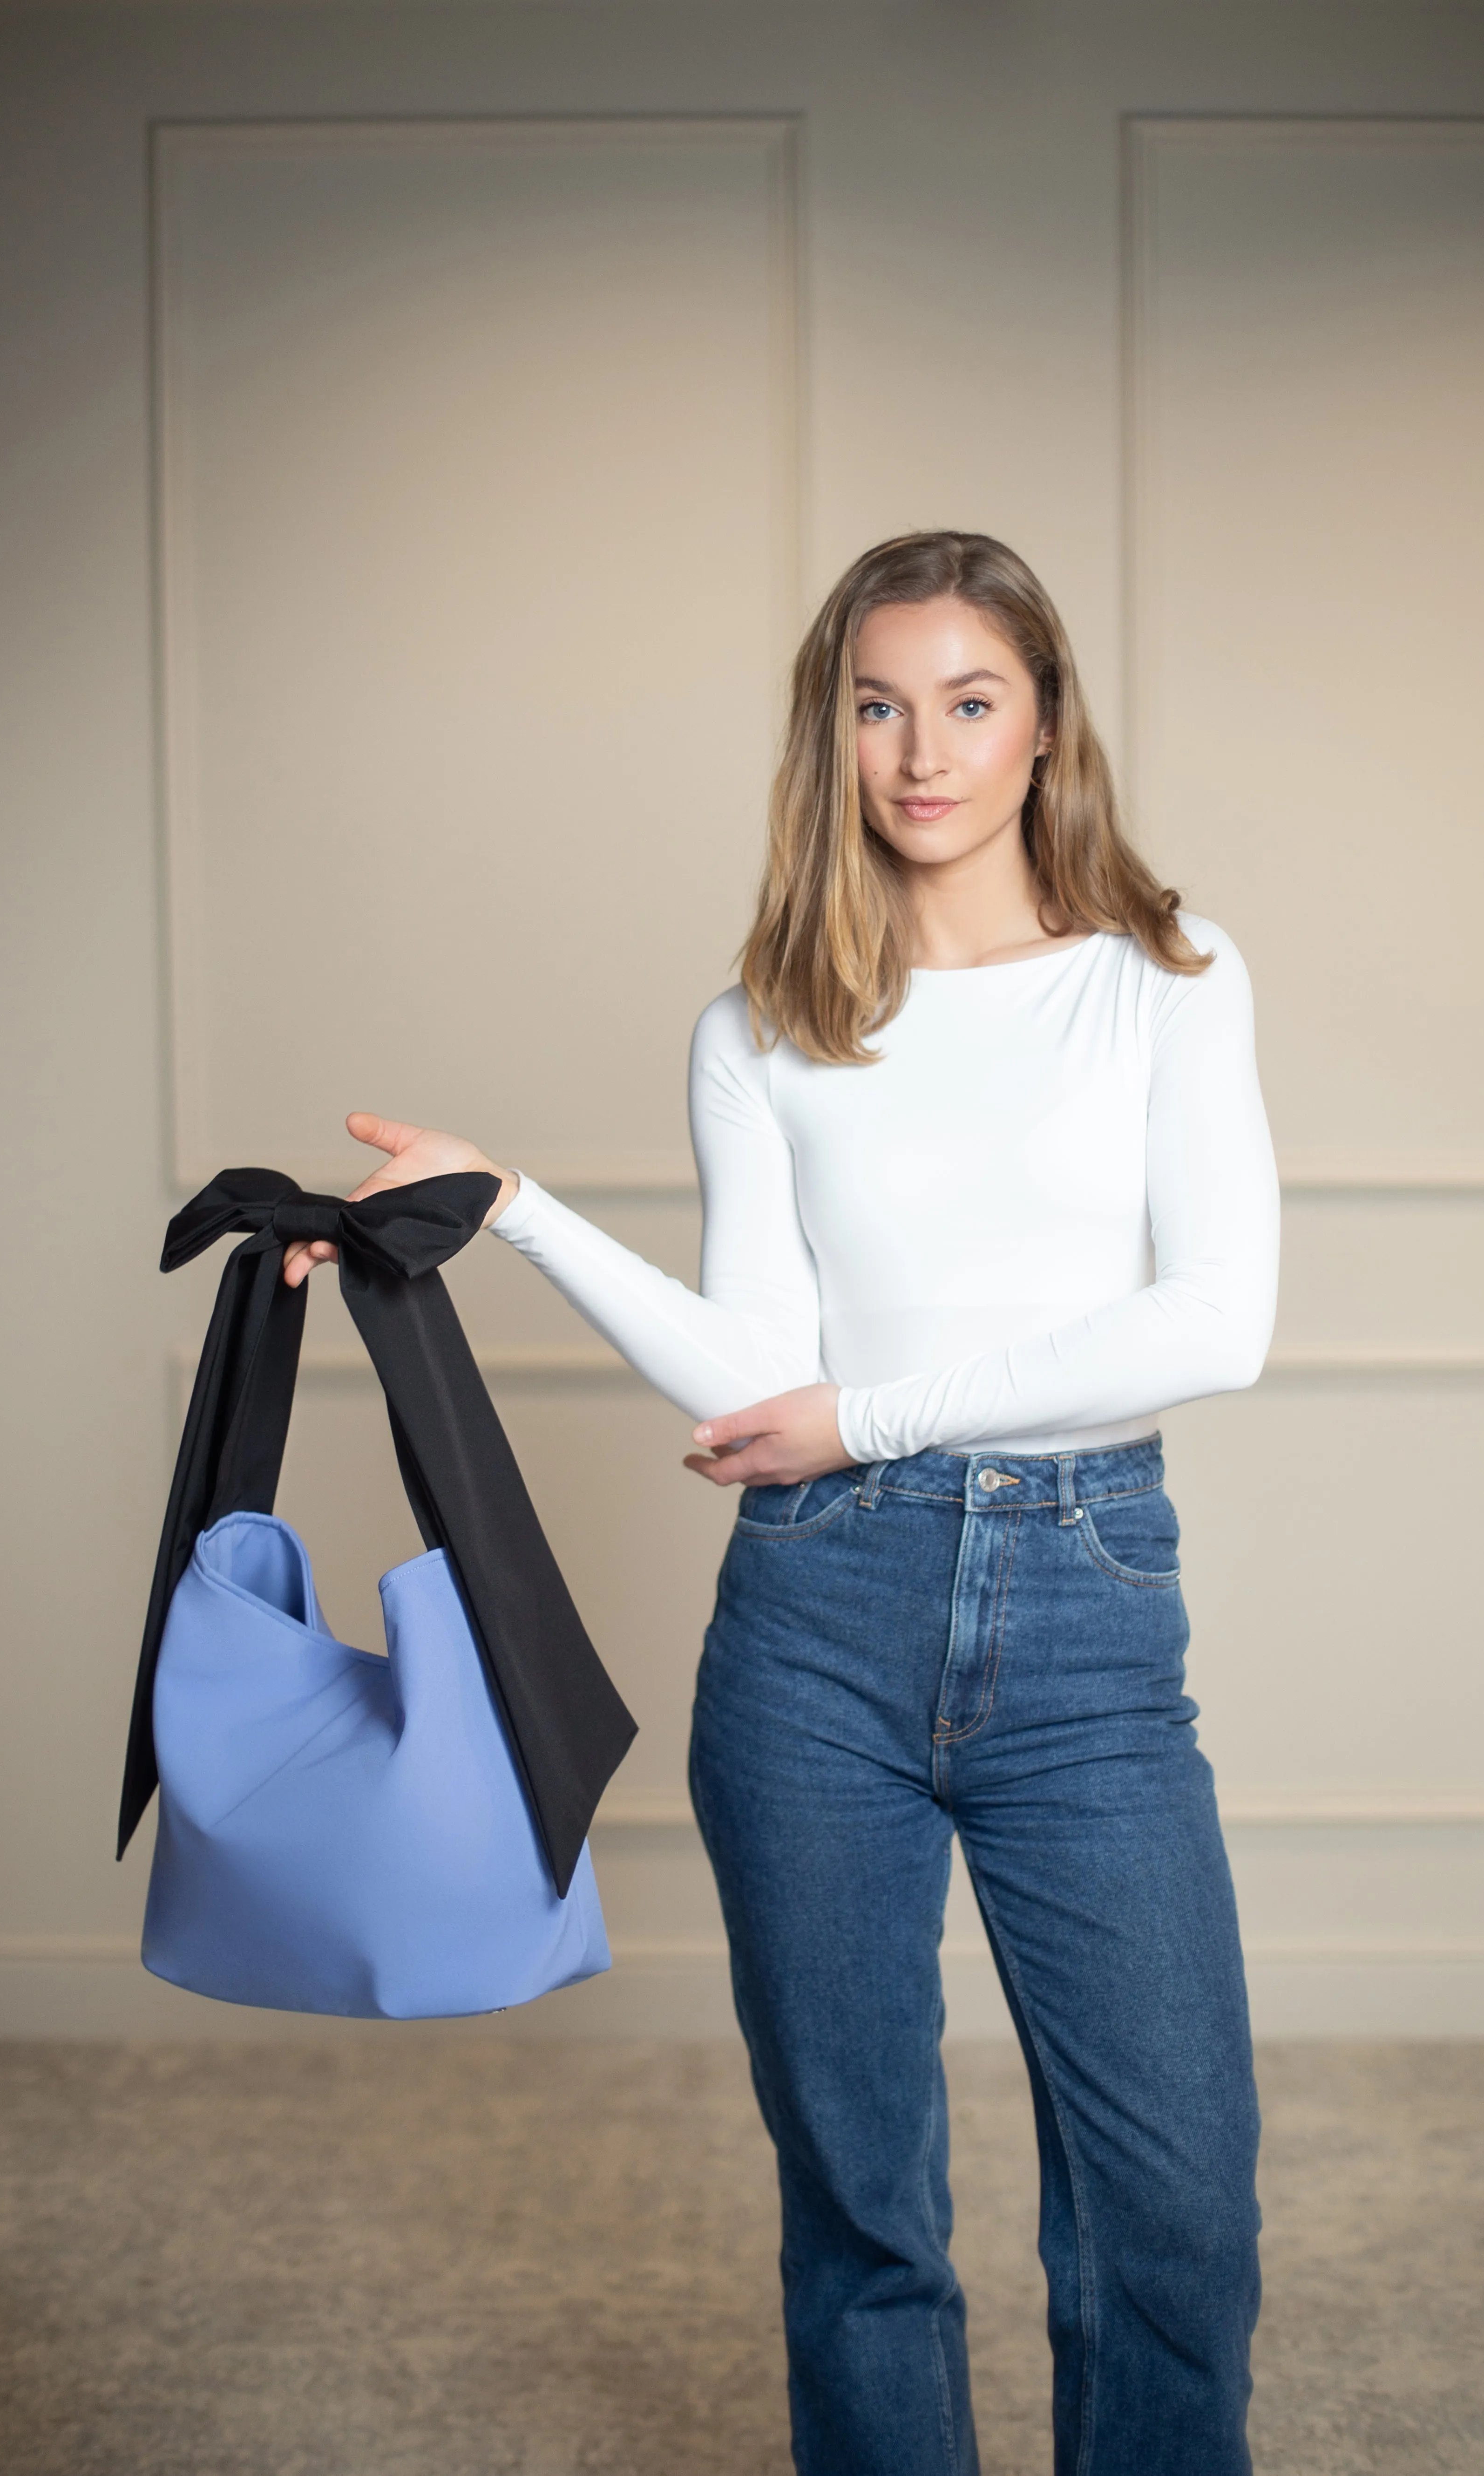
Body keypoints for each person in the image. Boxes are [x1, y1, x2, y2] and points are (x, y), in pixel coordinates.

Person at [285, 531, 1280, 2475]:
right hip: (813, 1636)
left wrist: (877, 1413)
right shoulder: (763, 1021)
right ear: (831, 731)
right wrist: (519, 1210)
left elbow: (1214, 1325)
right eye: (877, 703)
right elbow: (754, 1386)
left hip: (1081, 1614)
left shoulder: (1164, 978)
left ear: (1044, 723)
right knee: (860, 2212)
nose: (922, 751)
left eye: (969, 701)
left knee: (1175, 2209)